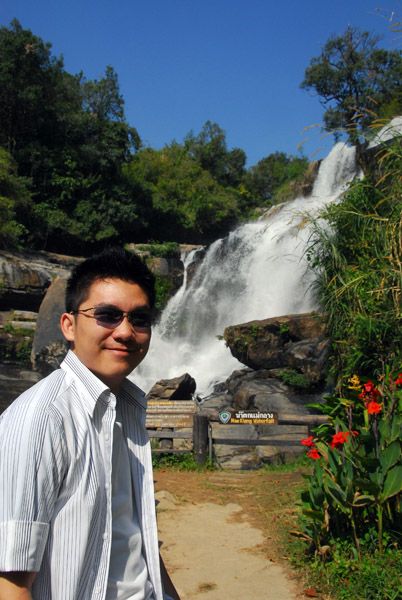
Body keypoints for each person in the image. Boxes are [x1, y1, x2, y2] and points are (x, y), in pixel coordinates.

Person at [0, 247, 180, 600]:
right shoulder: (41, 420)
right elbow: (10, 584)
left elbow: (133, 536)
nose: (125, 332)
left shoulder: (126, 409)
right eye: (108, 315)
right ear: (69, 325)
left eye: (139, 319)